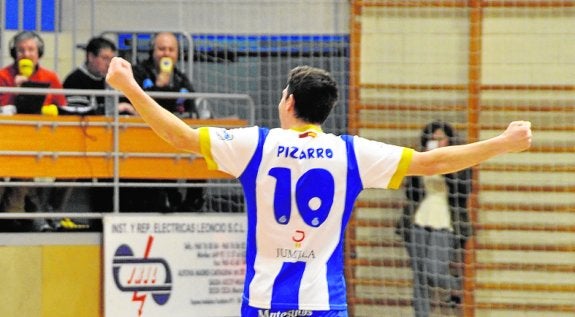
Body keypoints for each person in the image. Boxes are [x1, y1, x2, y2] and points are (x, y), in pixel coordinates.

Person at [105, 57, 532, 317]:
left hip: (264, 300)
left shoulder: (258, 143)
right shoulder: (351, 154)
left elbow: (179, 136)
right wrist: (502, 143)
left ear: (288, 102)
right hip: (323, 302)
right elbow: (430, 162)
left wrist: (129, 86)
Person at [396, 121, 472, 316]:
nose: (436, 142)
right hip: (419, 219)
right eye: (433, 139)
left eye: (441, 138)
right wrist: (419, 165)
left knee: (433, 270)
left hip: (446, 221)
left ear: (449, 140)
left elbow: (463, 193)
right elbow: (411, 195)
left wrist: (444, 168)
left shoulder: (460, 160)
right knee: (419, 276)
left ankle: (456, 289)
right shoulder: (420, 159)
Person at [125, 32, 204, 213]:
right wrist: (159, 86)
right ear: (152, 51)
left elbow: (192, 108)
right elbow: (133, 104)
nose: (166, 53)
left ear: (177, 54)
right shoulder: (138, 72)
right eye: (161, 49)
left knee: (200, 151)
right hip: (142, 142)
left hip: (172, 141)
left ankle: (192, 204)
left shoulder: (180, 78)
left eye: (171, 49)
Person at [0, 31, 67, 231]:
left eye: (31, 49)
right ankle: (23, 215)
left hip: (42, 139)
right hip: (9, 140)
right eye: (21, 50)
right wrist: (17, 92)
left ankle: (23, 214)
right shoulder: (3, 76)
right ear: (14, 53)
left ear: (39, 53)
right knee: (22, 167)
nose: (26, 54)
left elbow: (63, 108)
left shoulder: (50, 77)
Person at [62, 36, 136, 115]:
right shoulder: (75, 80)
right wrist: (116, 109)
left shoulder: (113, 79)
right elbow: (78, 113)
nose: (109, 64)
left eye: (112, 59)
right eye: (105, 58)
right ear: (91, 57)